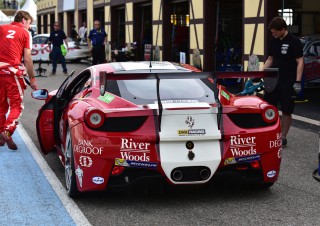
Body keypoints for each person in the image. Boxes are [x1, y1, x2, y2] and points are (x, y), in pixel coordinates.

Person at [263, 17, 304, 148]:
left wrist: (297, 82)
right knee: (269, 108)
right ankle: (269, 134)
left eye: (274, 32)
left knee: (286, 110)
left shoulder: (294, 41)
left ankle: (282, 137)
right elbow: (270, 59)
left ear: (283, 30)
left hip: (288, 80)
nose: (272, 34)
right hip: (273, 80)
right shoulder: (273, 41)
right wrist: (261, 73)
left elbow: (300, 61)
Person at [0, 10, 38, 150]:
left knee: (1, 105)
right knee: (17, 105)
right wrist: (32, 78)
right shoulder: (24, 33)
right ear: (23, 20)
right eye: (29, 23)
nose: (29, 26)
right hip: (12, 73)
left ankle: (1, 134)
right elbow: (27, 58)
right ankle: (7, 131)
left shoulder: (1, 28)